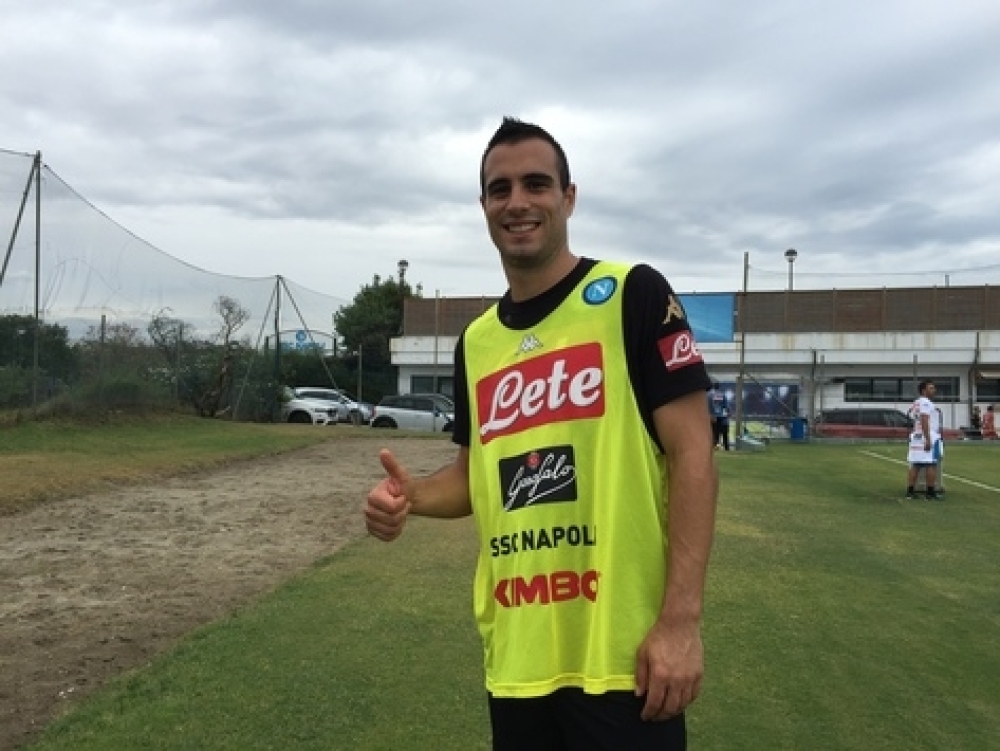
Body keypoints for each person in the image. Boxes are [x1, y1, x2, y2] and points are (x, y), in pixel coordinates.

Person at [364, 117, 718, 750]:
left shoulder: (632, 294)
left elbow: (694, 454)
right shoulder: (477, 341)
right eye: (500, 189)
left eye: (536, 184)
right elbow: (478, 476)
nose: (518, 202)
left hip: (624, 658)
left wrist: (680, 621)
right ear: (484, 207)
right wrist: (409, 499)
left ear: (568, 197)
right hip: (519, 660)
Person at [906, 380, 943, 500]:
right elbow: (924, 420)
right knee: (931, 464)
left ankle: (910, 492)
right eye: (931, 388)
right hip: (927, 436)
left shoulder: (916, 403)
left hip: (916, 436)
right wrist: (928, 439)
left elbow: (913, 417)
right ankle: (930, 493)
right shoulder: (926, 403)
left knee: (915, 464)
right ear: (924, 390)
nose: (934, 390)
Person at [707, 381, 730, 450]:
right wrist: (726, 417)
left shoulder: (708, 395)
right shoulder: (722, 395)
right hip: (721, 416)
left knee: (713, 432)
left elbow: (708, 406)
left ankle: (714, 446)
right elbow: (725, 406)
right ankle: (725, 447)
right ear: (719, 387)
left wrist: (711, 414)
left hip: (712, 416)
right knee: (722, 432)